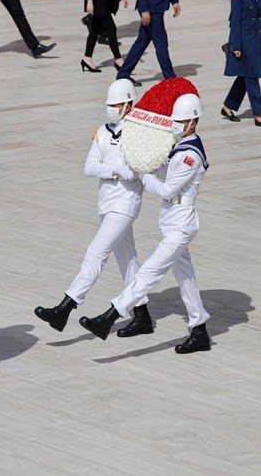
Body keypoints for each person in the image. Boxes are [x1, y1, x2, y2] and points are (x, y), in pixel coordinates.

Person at [79, 92, 213, 354]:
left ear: (193, 122)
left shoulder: (190, 155)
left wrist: (143, 172)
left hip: (181, 223)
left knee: (149, 272)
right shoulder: (178, 147)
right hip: (171, 221)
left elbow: (166, 189)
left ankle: (110, 315)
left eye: (181, 121)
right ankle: (199, 330)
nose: (175, 125)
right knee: (185, 277)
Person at [34, 80, 154, 337]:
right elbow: (89, 167)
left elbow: (143, 167)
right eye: (109, 105)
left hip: (125, 203)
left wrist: (128, 171)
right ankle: (142, 315)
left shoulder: (141, 133)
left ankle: (66, 307)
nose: (111, 109)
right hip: (106, 202)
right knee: (127, 260)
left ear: (129, 104)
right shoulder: (101, 131)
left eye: (116, 105)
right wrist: (115, 171)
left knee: (96, 253)